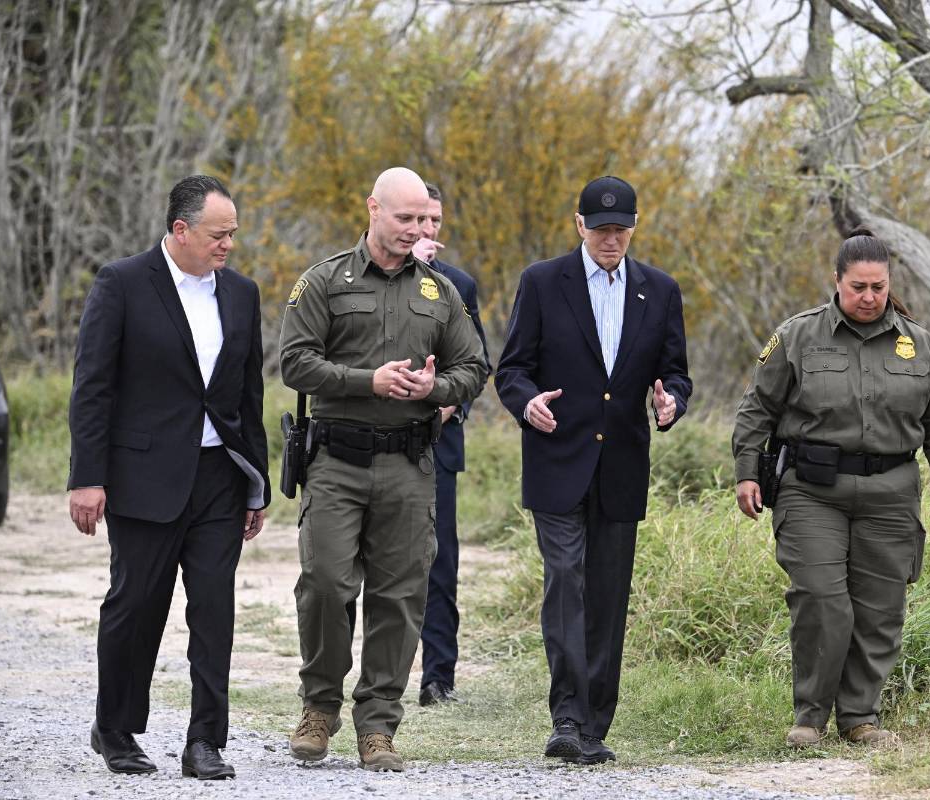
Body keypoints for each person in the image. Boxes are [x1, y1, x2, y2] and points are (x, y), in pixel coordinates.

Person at [279, 167, 487, 772]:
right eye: (404, 218)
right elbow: (294, 362)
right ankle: (319, 707)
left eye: (423, 220)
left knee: (399, 597)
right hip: (337, 462)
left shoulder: (439, 293)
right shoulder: (324, 280)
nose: (414, 230)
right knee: (324, 583)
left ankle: (377, 725)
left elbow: (474, 367)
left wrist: (434, 386)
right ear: (373, 209)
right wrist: (364, 380)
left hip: (408, 461)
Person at [67, 175, 270, 780]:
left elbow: (247, 395)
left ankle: (205, 739)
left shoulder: (241, 294)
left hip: (218, 479)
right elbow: (93, 387)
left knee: (214, 609)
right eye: (217, 234)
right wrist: (87, 477)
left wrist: (256, 481)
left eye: (232, 233)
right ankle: (117, 729)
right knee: (136, 606)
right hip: (143, 476)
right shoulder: (123, 283)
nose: (228, 244)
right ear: (180, 230)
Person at [732, 227, 930, 749]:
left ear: (889, 284)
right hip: (813, 489)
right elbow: (757, 409)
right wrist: (748, 470)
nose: (869, 297)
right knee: (821, 599)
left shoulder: (918, 343)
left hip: (891, 492)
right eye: (858, 286)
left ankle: (860, 718)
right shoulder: (799, 335)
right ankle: (809, 717)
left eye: (878, 287)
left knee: (880, 608)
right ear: (836, 281)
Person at [495, 175, 692, 764]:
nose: (612, 239)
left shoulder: (659, 290)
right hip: (557, 460)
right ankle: (567, 716)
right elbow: (512, 370)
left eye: (622, 229)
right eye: (602, 229)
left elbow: (676, 372)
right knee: (565, 582)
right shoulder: (541, 283)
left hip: (622, 466)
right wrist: (526, 403)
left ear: (634, 227)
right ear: (579, 225)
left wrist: (671, 402)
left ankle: (595, 723)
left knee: (607, 595)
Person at [411, 182, 490, 707]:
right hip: (370, 441)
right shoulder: (350, 278)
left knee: (440, 563)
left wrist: (451, 404)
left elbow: (477, 365)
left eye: (435, 220)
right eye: (418, 219)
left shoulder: (459, 285)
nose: (428, 230)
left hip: (438, 445)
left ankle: (439, 677)